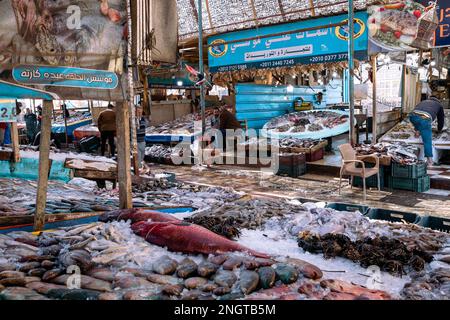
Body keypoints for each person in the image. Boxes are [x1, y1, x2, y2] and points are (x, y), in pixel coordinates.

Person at [409, 96, 445, 166]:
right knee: (427, 141)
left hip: (412, 116)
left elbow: (417, 113)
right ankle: (430, 161)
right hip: (425, 119)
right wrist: (439, 130)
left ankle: (417, 132)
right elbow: (441, 120)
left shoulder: (424, 101)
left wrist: (417, 129)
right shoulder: (439, 105)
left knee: (418, 121)